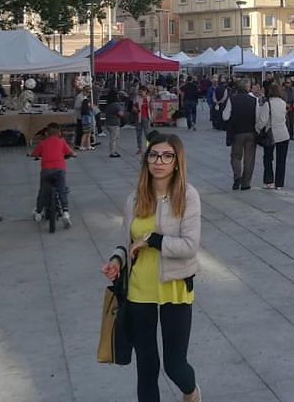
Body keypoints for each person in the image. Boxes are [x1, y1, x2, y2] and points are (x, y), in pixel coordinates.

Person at [101, 134, 201, 402]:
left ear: (177, 162)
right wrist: (116, 260)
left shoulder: (188, 196)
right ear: (146, 160)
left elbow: (190, 246)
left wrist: (152, 240)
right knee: (146, 366)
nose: (159, 161)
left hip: (175, 286)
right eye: (154, 155)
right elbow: (124, 242)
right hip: (139, 289)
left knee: (175, 365)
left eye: (167, 156)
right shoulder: (135, 199)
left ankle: (191, 392)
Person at [29, 123, 75, 226]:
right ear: (59, 133)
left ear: (46, 133)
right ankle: (66, 213)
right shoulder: (61, 142)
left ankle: (38, 212)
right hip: (59, 170)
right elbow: (71, 153)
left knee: (43, 192)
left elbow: (34, 153)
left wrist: (33, 155)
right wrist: (74, 154)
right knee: (62, 190)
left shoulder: (43, 143)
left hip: (46, 171)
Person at [223, 82, 258, 190]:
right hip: (251, 132)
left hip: (237, 132)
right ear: (248, 89)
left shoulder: (232, 99)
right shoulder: (254, 100)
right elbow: (258, 116)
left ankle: (237, 176)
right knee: (249, 158)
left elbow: (225, 116)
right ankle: (246, 183)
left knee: (236, 157)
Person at [256, 82, 290, 189]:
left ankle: (269, 181)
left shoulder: (268, 104)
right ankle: (279, 183)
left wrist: (257, 128)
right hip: (283, 134)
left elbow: (263, 120)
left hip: (271, 134)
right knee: (281, 160)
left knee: (268, 158)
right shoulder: (283, 103)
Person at [104, 90, 125, 158]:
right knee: (113, 139)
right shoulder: (116, 105)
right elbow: (121, 114)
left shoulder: (108, 104)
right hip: (114, 124)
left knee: (113, 138)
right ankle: (112, 152)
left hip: (108, 123)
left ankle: (114, 150)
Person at [134, 86, 151, 156]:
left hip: (146, 117)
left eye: (142, 91)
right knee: (138, 134)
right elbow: (133, 106)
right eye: (139, 91)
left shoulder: (149, 98)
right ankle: (140, 148)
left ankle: (149, 147)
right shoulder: (137, 98)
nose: (140, 92)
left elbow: (152, 107)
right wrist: (135, 109)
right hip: (138, 117)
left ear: (145, 91)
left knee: (147, 134)